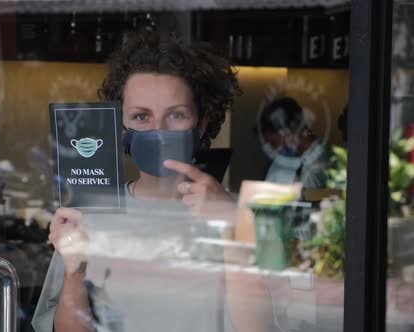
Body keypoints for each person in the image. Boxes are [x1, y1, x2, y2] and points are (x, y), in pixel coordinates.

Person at [32, 31, 273, 332]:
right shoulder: (91, 212)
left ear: (202, 125)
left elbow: (261, 328)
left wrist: (233, 231)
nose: (159, 130)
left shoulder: (244, 215)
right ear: (121, 126)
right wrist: (74, 271)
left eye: (175, 115)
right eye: (141, 116)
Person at [257, 97, 332, 188]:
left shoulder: (317, 165)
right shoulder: (298, 159)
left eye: (274, 143)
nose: (275, 150)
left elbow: (305, 199)